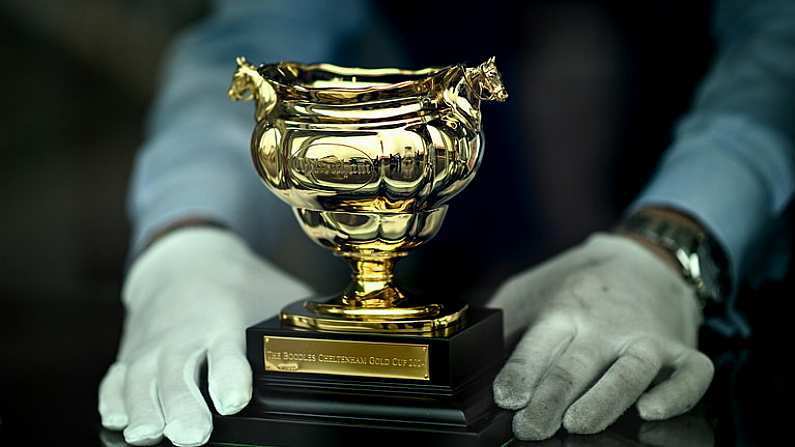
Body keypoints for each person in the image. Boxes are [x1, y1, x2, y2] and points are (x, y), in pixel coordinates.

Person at [98, 1, 795, 446]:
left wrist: (674, 241)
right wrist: (184, 235)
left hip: (740, 282)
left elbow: (779, 51)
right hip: (456, 263)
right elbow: (253, 37)